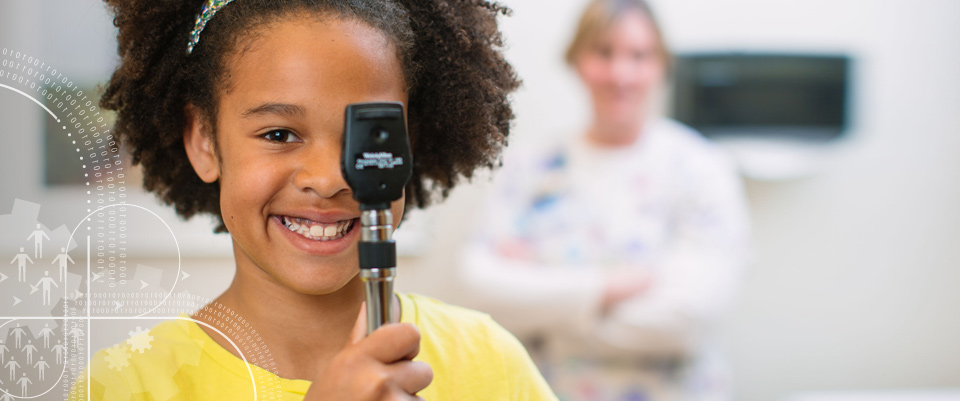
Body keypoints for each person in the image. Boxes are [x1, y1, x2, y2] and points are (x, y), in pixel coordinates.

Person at [72, 0, 555, 400]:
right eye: (279, 133)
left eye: (368, 135)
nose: (327, 180)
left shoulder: (492, 362)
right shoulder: (128, 385)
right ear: (203, 140)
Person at [457, 0, 751, 400]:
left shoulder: (700, 169)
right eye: (603, 52)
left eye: (639, 55)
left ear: (661, 66)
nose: (621, 74)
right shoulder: (530, 168)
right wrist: (608, 288)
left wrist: (545, 321)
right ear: (577, 59)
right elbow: (480, 287)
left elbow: (688, 318)